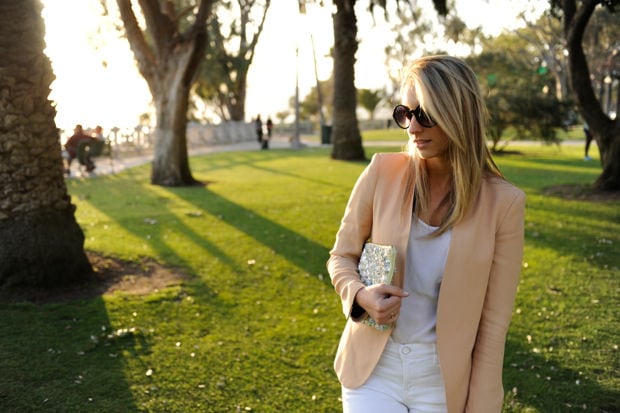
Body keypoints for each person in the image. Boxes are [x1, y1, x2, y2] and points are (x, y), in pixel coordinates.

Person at [327, 55, 525, 412]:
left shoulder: (504, 203)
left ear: (458, 114)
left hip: (442, 384)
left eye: (426, 115)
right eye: (406, 114)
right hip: (373, 373)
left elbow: (493, 326)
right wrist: (359, 297)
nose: (413, 128)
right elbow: (342, 255)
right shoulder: (381, 173)